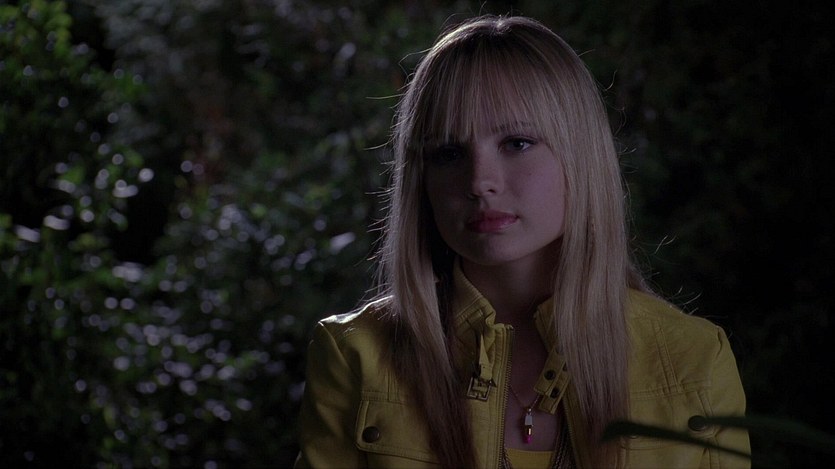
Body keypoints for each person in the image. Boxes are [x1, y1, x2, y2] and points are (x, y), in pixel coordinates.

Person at [294, 15, 749, 469]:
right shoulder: (356, 355)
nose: (479, 182)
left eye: (516, 143)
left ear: (580, 155)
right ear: (421, 179)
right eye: (449, 153)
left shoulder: (693, 360)